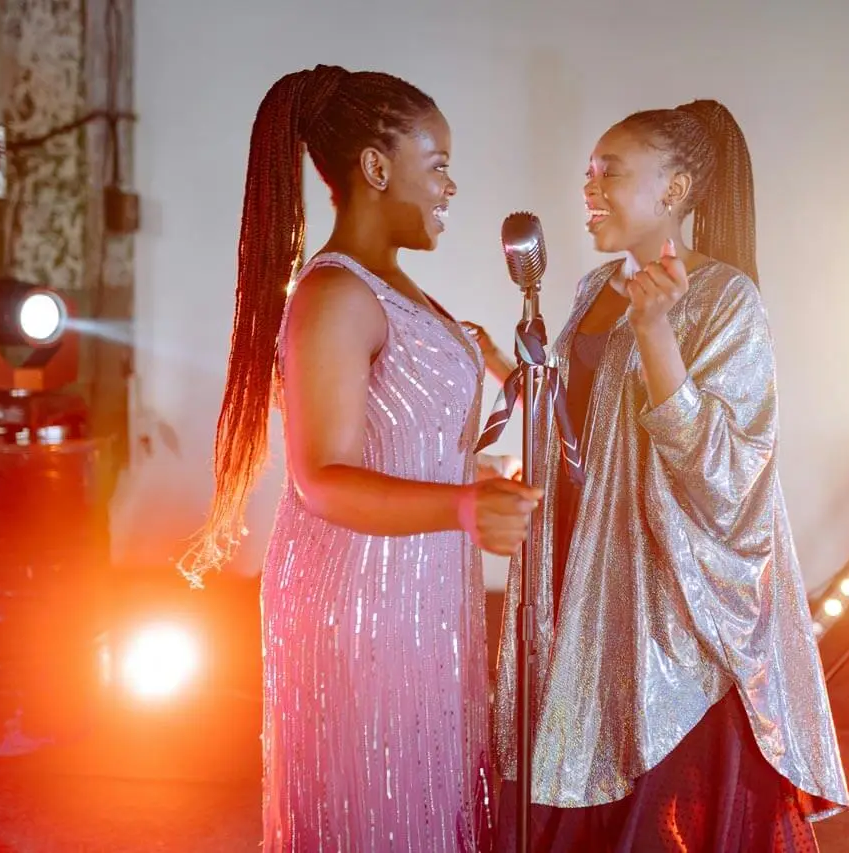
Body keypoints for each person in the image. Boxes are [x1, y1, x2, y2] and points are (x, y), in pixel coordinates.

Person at [181, 65, 542, 852]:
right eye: (437, 163)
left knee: (423, 803)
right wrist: (462, 506)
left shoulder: (392, 285)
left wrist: (473, 478)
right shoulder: (336, 296)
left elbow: (398, 440)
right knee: (378, 813)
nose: (450, 185)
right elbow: (319, 477)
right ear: (377, 167)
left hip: (419, 589)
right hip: (361, 602)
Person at [483, 99, 849, 851]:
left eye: (610, 172)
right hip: (582, 578)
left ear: (675, 190)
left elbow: (727, 472)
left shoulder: (726, 299)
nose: (589, 188)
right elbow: (582, 424)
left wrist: (655, 333)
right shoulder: (594, 289)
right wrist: (500, 368)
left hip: (665, 613)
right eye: (588, 172)